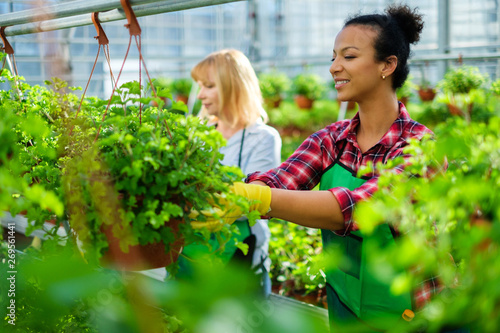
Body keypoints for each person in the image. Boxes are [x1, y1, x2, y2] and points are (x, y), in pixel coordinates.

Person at [191, 5, 465, 332]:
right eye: (333, 57)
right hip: (347, 303)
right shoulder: (332, 139)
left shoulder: (420, 145)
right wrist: (217, 192)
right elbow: (278, 180)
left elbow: (364, 207)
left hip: (420, 312)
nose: (334, 67)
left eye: (348, 57)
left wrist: (258, 199)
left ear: (387, 65)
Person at [178, 49, 282, 296]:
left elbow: (257, 200)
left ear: (234, 87)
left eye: (209, 86)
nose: (200, 94)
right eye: (200, 86)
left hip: (240, 264)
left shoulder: (263, 138)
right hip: (191, 258)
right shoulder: (196, 133)